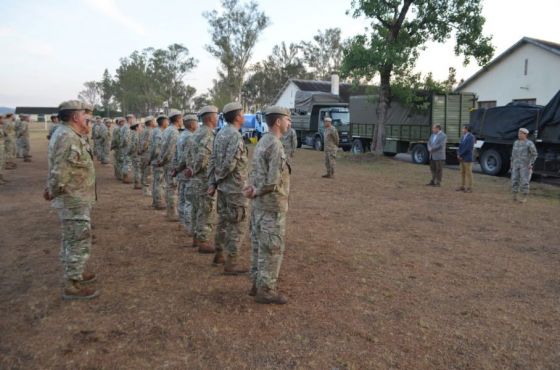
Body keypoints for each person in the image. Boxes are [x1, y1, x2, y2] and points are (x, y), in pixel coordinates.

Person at [43, 100, 98, 301]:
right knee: (77, 238)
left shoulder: (71, 134)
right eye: (85, 115)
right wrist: (53, 189)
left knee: (74, 237)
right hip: (73, 197)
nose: (88, 118)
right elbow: (59, 170)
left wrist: (51, 187)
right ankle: (72, 285)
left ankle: (76, 272)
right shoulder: (67, 136)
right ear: (76, 117)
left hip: (76, 195)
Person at [243, 106, 291, 304]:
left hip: (259, 206)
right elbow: (272, 181)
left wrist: (252, 189)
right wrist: (256, 190)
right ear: (278, 122)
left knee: (258, 245)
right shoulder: (276, 145)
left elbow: (255, 172)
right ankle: (266, 290)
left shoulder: (263, 140)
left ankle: (256, 283)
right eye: (287, 120)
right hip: (271, 206)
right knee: (272, 248)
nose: (289, 123)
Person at [208, 102, 249, 274]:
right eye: (242, 113)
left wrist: (213, 182)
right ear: (237, 117)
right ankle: (231, 262)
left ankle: (219, 254)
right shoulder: (235, 136)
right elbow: (230, 163)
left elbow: (212, 160)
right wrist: (217, 179)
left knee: (223, 221)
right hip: (234, 188)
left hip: (224, 188)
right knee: (238, 224)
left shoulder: (220, 133)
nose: (244, 116)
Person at [186, 105, 218, 253]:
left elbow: (189, 155)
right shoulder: (208, 134)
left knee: (196, 209)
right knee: (206, 210)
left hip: (194, 179)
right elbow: (203, 157)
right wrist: (195, 169)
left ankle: (196, 237)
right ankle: (203, 241)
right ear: (210, 118)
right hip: (203, 178)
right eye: (216, 115)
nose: (217, 118)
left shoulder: (196, 133)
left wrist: (191, 169)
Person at [174, 114, 198, 235]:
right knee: (189, 200)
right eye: (196, 122)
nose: (198, 125)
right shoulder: (190, 137)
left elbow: (176, 154)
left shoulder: (181, 135)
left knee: (182, 198)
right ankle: (189, 226)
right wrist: (179, 168)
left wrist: (176, 169)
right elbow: (184, 157)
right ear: (192, 124)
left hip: (181, 173)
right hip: (187, 172)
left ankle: (183, 222)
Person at [157, 109, 183, 220]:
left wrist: (161, 160)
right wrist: (164, 160)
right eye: (181, 118)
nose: (182, 120)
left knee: (169, 187)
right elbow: (171, 150)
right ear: (177, 119)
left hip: (167, 162)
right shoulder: (174, 132)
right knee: (172, 188)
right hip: (171, 163)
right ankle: (172, 213)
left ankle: (170, 211)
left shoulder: (168, 130)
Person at [511, 128, 538, 203]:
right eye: (518, 133)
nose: (519, 134)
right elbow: (513, 154)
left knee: (524, 182)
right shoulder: (516, 143)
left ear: (525, 134)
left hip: (525, 166)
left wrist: (531, 163)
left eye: (521, 133)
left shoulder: (529, 143)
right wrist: (512, 162)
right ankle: (514, 196)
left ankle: (524, 197)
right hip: (516, 165)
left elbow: (534, 154)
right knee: (514, 180)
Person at [149, 115, 168, 209]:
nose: (168, 123)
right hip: (159, 161)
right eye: (166, 121)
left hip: (156, 160)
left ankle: (155, 201)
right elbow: (157, 148)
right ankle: (159, 202)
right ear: (163, 122)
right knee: (159, 182)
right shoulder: (159, 132)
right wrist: (160, 158)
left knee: (157, 182)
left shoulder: (156, 131)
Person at [138, 116, 156, 197]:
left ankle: (143, 188)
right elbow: (146, 143)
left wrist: (140, 151)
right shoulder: (150, 131)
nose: (154, 122)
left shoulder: (143, 130)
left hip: (143, 154)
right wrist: (142, 150)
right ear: (150, 122)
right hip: (147, 154)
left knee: (143, 171)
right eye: (153, 121)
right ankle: (146, 190)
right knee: (148, 172)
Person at [456, 125, 476, 193]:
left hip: (467, 158)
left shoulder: (471, 137)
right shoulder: (462, 136)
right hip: (462, 157)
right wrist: (458, 154)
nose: (462, 130)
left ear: (466, 129)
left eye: (463, 128)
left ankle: (470, 187)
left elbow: (468, 148)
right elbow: (460, 146)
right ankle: (462, 186)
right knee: (462, 172)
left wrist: (461, 154)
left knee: (468, 173)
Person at [119, 114, 135, 183]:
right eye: (132, 118)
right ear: (129, 119)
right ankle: (126, 178)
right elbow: (126, 139)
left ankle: (124, 177)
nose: (133, 120)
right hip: (127, 147)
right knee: (128, 162)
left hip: (124, 147)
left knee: (125, 161)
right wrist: (129, 146)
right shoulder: (127, 127)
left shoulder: (124, 126)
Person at [129, 122, 143, 189]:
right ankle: (137, 183)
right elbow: (134, 145)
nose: (141, 128)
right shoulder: (135, 135)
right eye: (140, 126)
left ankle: (137, 183)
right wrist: (138, 152)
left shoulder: (133, 133)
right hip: (136, 154)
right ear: (136, 128)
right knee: (137, 169)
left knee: (136, 168)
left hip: (134, 154)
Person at [0, 115, 7, 184]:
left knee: (1, 163)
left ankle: (1, 178)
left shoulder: (1, 127)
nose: (3, 120)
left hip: (2, 146)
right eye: (2, 119)